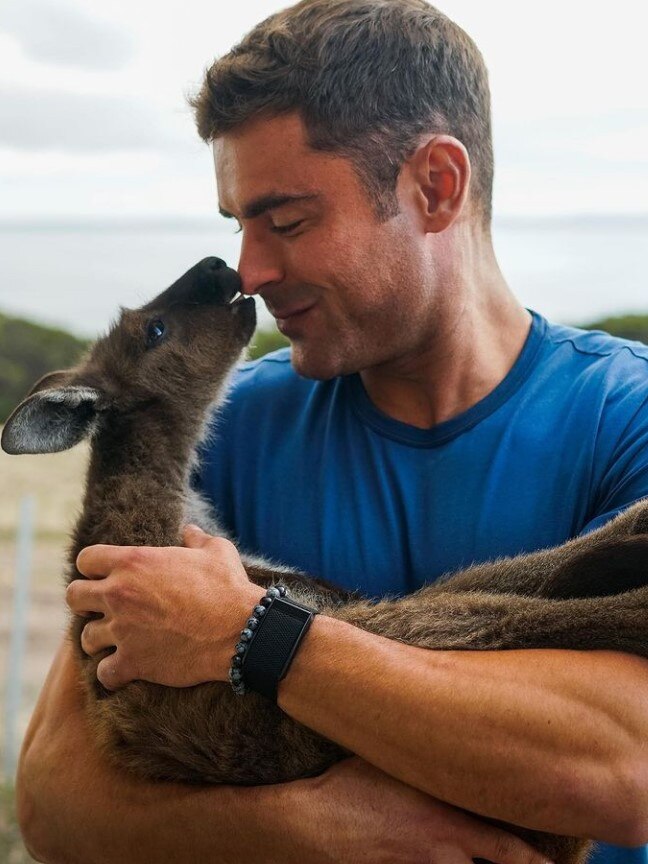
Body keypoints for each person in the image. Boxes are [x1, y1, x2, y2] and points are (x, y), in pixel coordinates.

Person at [17, 1, 648, 862]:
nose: (249, 271)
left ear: (436, 186)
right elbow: (56, 800)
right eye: (238, 224)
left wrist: (256, 636)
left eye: (285, 222)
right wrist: (306, 827)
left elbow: (630, 770)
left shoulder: (624, 419)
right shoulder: (227, 424)